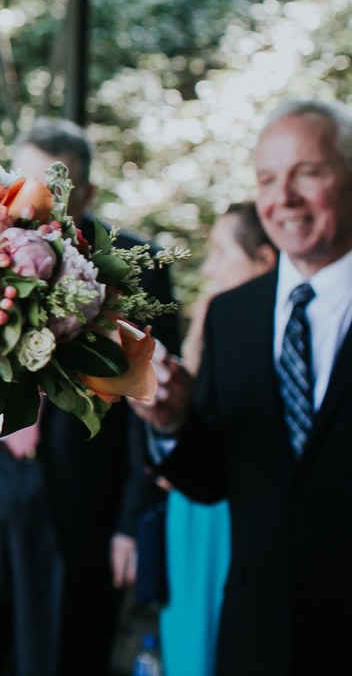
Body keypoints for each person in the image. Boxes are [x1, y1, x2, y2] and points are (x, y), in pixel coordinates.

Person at [134, 99, 352, 676]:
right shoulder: (230, 316)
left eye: (309, 172)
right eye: (267, 179)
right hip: (254, 636)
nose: (285, 197)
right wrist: (173, 422)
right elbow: (212, 480)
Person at [0, 118, 172, 676]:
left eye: (57, 191)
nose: (37, 205)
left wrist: (132, 519)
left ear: (89, 195)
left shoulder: (134, 267)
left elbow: (149, 406)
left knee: (59, 651)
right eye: (24, 187)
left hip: (78, 492)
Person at [161, 204, 274, 676]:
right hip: (190, 506)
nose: (207, 269)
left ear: (265, 262)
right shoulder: (214, 319)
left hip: (233, 511)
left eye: (222, 253)